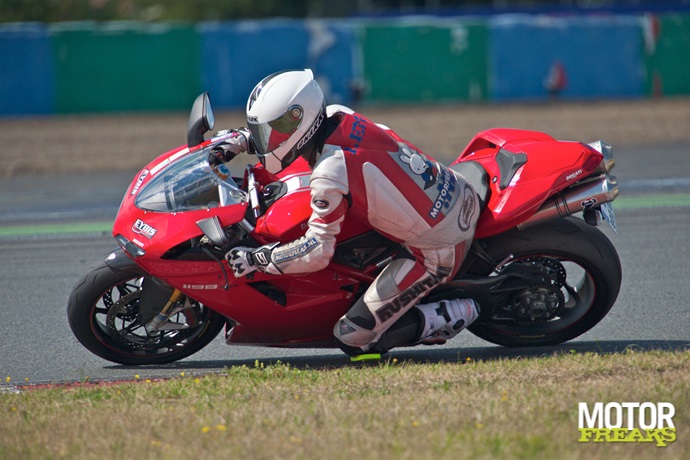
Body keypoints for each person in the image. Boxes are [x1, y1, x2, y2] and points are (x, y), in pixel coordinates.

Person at [215, 69, 480, 357]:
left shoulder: (330, 172)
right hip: (453, 190)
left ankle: (451, 312)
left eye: (270, 130)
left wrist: (258, 259)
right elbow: (293, 141)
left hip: (438, 247)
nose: (267, 139)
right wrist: (242, 140)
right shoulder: (338, 115)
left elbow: (315, 252)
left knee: (352, 336)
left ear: (298, 119)